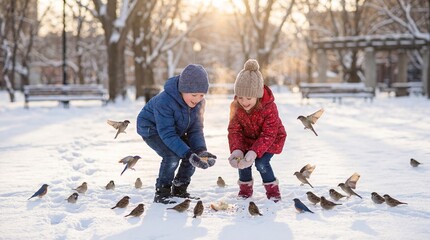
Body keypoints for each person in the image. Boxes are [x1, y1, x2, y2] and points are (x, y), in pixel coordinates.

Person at [137, 64, 217, 204]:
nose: (198, 98)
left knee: (193, 155)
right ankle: (162, 192)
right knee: (172, 155)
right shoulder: (165, 101)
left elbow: (195, 129)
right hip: (152, 128)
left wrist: (200, 151)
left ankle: (180, 188)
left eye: (202, 95)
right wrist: (187, 153)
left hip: (174, 129)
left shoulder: (198, 103)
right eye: (194, 95)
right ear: (182, 90)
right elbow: (167, 134)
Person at [228, 59, 286, 202]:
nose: (244, 101)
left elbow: (269, 133)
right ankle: (245, 190)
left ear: (258, 95)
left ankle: (273, 191)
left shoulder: (269, 107)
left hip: (270, 140)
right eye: (240, 97)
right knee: (242, 161)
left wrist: (254, 152)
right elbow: (234, 130)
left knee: (261, 162)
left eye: (249, 97)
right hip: (248, 139)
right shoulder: (236, 106)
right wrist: (237, 150)